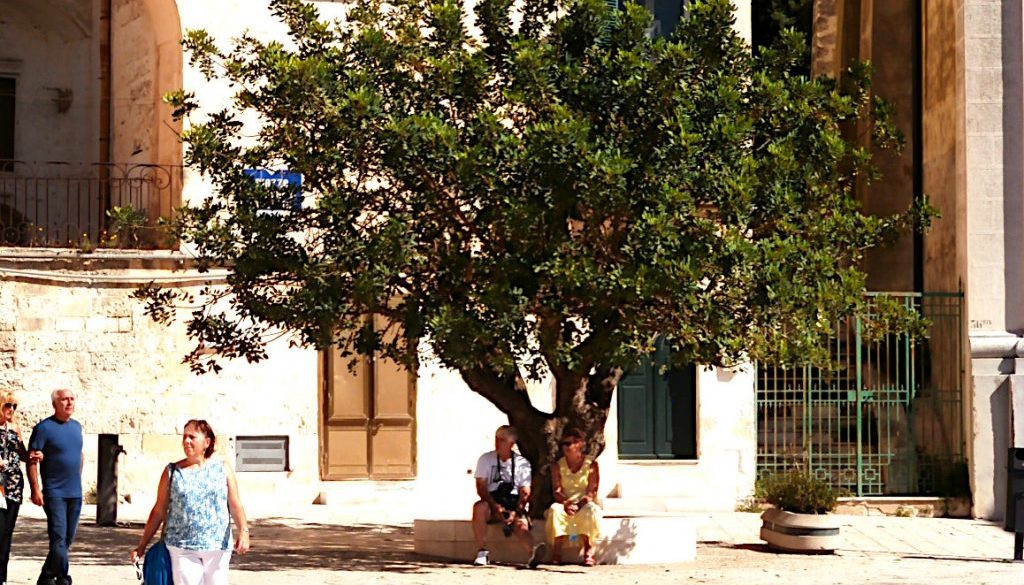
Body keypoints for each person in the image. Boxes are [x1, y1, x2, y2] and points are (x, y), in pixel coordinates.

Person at [131, 419, 250, 585]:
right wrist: (141, 546)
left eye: (192, 437)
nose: (186, 441)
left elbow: (235, 504)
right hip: (182, 547)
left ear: (206, 442)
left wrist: (243, 531)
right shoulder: (172, 472)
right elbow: (158, 511)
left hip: (217, 547)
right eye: (184, 437)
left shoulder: (223, 469)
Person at [27, 389, 83, 585]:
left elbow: (79, 455)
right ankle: (63, 578)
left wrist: (77, 477)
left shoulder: (77, 427)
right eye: (64, 399)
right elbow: (32, 460)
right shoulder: (44, 428)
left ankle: (47, 576)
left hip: (75, 493)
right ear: (55, 404)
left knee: (66, 540)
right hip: (54, 492)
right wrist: (35, 489)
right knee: (58, 538)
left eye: (72, 398)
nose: (69, 402)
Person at [471, 425, 546, 568]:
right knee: (479, 508)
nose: (498, 443)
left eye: (502, 440)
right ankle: (482, 552)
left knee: (520, 524)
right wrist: (495, 506)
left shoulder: (522, 464)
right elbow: (481, 487)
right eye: (497, 439)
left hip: (513, 501)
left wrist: (516, 510)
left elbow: (525, 491)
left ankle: (533, 553)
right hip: (491, 500)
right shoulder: (486, 459)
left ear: (511, 444)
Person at [546, 426, 601, 566]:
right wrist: (566, 504)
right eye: (564, 443)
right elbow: (557, 490)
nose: (566, 447)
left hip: (584, 502)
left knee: (590, 511)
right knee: (555, 510)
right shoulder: (557, 466)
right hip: (565, 501)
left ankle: (588, 552)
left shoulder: (591, 465)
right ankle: (556, 552)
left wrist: (580, 504)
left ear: (580, 444)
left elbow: (591, 491)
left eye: (570, 443)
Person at [0, 391, 30, 585]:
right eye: (7, 406)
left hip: (13, 486)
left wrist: (35, 455)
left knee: (7, 534)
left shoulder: (15, 429)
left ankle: (2, 577)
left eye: (14, 406)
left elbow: (24, 456)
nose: (11, 410)